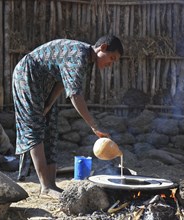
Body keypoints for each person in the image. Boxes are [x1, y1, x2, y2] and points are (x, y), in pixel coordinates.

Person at [12, 35, 124, 198]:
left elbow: (62, 81)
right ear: (103, 48)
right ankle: (45, 186)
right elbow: (75, 95)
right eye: (111, 58)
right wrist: (94, 126)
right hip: (27, 75)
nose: (110, 64)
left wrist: (49, 104)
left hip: (45, 82)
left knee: (50, 124)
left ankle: (51, 184)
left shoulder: (87, 59)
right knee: (34, 127)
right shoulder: (79, 55)